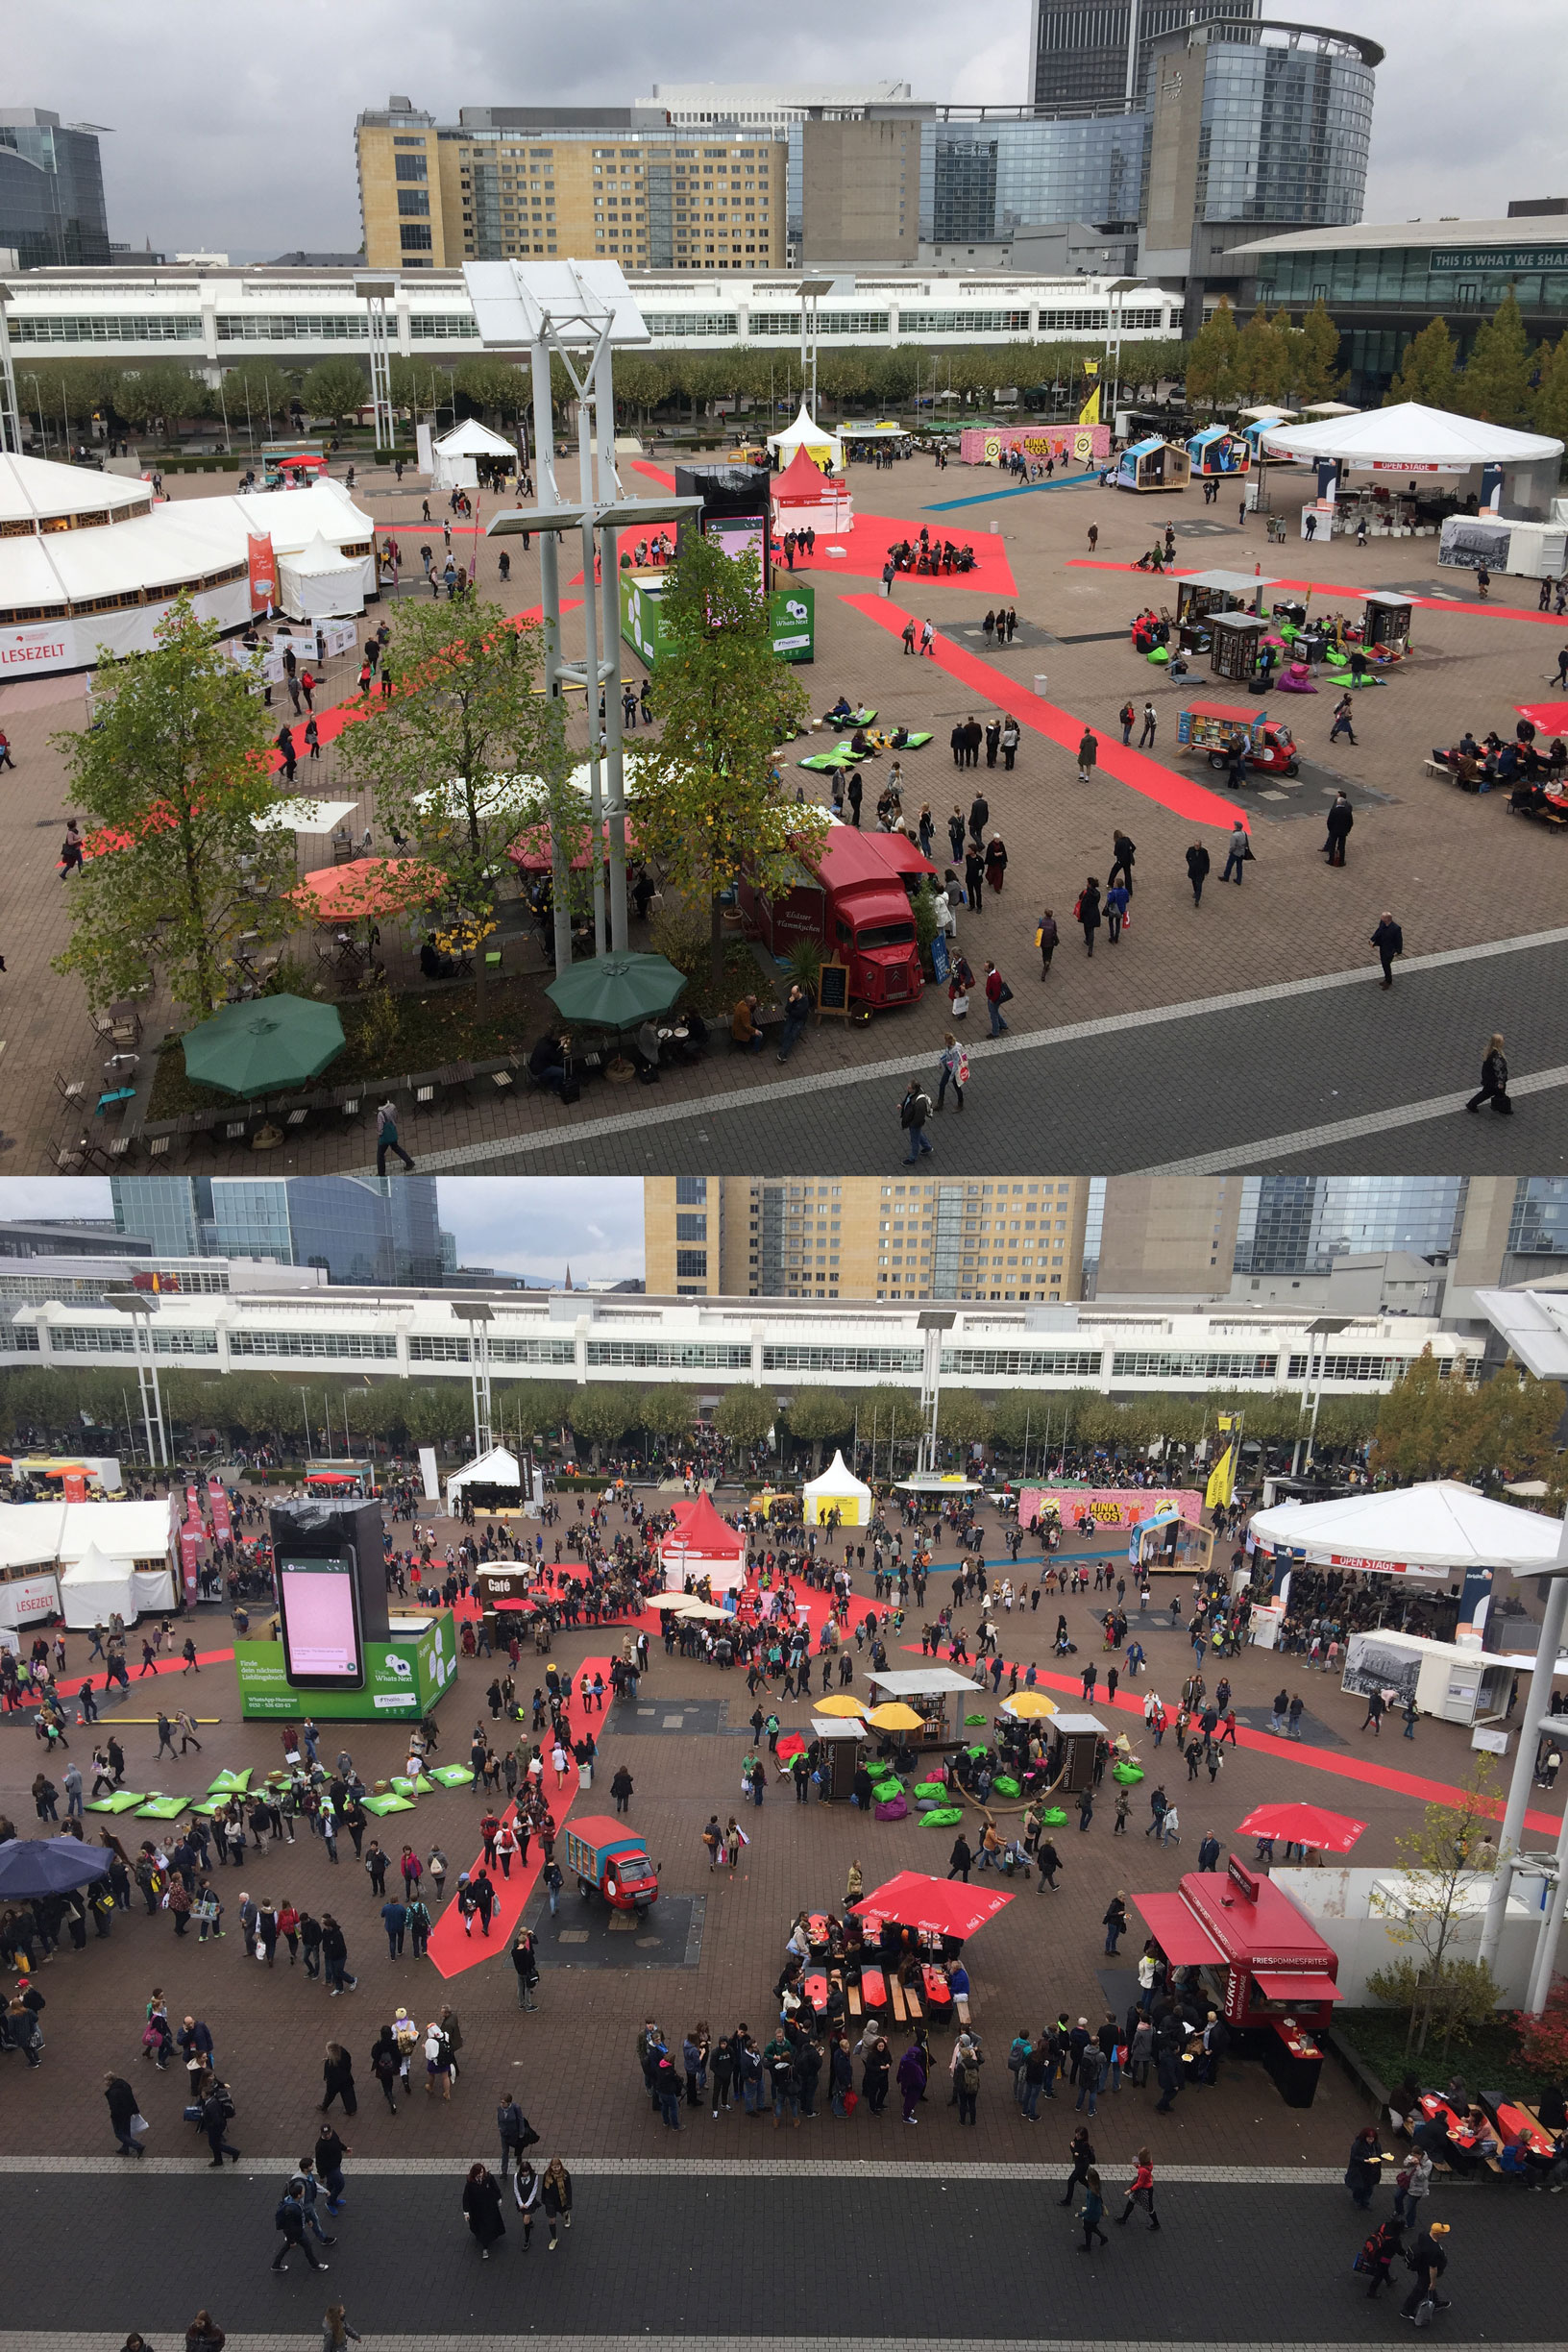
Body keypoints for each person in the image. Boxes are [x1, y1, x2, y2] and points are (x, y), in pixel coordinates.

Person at [272, 2184, 328, 2272]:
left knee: (287, 2247)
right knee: (307, 2245)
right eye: (302, 2191)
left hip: (295, 2232)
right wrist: (292, 2240)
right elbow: (290, 2226)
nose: (304, 2192)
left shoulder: (291, 2201)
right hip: (297, 2232)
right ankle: (315, 2265)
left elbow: (302, 2210)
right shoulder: (293, 2210)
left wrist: (308, 2220)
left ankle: (276, 2264)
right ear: (298, 2195)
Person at [462, 2162, 506, 2260]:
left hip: (489, 2207)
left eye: (482, 2172)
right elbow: (466, 2198)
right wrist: (466, 2212)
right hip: (477, 2210)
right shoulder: (470, 2184)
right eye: (479, 2173)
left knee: (488, 2225)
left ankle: (485, 2244)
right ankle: (484, 2244)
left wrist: (498, 2198)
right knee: (481, 2227)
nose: (481, 2174)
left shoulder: (488, 2178)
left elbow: (495, 2188)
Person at [1466, 1031, 1511, 1115]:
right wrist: (1501, 1082)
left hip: (1489, 1078)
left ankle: (1503, 1108)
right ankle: (1503, 1108)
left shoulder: (1489, 1051)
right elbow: (1500, 1071)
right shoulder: (1497, 1057)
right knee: (1489, 1093)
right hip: (1494, 1081)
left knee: (1492, 1093)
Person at [1116, 2146, 1160, 2230]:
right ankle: (1124, 2218)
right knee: (1132, 2201)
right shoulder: (1150, 2164)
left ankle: (1156, 2223)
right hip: (1146, 2189)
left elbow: (1139, 2183)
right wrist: (1138, 2167)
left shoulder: (1142, 2170)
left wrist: (1130, 2190)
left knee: (1149, 2207)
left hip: (1144, 2191)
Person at [899, 1076, 934, 1164]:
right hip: (912, 1122)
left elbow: (919, 1118)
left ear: (914, 1089)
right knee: (918, 1134)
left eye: (909, 1087)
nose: (907, 1088)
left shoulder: (920, 1103)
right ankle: (927, 1147)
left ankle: (912, 1158)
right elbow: (907, 1099)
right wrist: (902, 1105)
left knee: (914, 1140)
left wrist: (912, 1124)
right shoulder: (913, 1093)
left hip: (914, 1123)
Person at [375, 1099, 413, 1175]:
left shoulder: (380, 1114)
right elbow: (396, 1116)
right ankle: (409, 1162)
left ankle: (381, 1173)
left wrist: (379, 1134)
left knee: (380, 1154)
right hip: (392, 1131)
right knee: (396, 1148)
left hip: (385, 1137)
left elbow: (380, 1127)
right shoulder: (392, 1106)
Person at [1371, 909, 1404, 989]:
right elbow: (1378, 931)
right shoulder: (1383, 923)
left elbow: (1399, 940)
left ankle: (1388, 981)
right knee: (1384, 963)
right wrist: (1372, 940)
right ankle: (1387, 979)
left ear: (1387, 919)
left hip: (1390, 950)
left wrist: (1398, 951)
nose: (1381, 919)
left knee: (1386, 964)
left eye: (1382, 918)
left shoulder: (1396, 928)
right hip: (1383, 947)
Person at [1324, 792, 1354, 866]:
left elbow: (1329, 821)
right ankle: (1341, 861)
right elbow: (1350, 822)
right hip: (1343, 832)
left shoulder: (1334, 811)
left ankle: (1331, 860)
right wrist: (1347, 830)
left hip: (1334, 831)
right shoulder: (1347, 812)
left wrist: (1330, 829)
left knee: (1332, 845)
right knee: (1342, 846)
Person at [984, 960, 1009, 1037]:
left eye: (986, 967)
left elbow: (996, 991)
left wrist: (992, 1000)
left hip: (994, 999)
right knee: (995, 1012)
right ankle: (1003, 1025)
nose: (984, 969)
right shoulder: (994, 974)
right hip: (993, 998)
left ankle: (995, 1032)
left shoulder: (994, 978)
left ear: (990, 968)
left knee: (993, 1015)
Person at [1221, 819, 1249, 886]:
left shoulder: (1235, 835)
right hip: (1242, 853)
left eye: (1235, 825)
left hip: (1235, 853)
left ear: (1236, 827)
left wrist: (1230, 851)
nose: (1234, 826)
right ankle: (1239, 880)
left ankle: (1226, 877)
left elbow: (1232, 846)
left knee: (1229, 865)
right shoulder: (1244, 833)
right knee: (1239, 866)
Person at [1186, 841, 1210, 905]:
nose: (1196, 847)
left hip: (1200, 871)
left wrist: (1206, 870)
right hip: (1193, 870)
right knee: (1193, 881)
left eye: (1197, 846)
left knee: (1199, 885)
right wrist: (1190, 864)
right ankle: (1196, 892)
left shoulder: (1204, 852)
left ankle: (1197, 900)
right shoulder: (1190, 849)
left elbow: (1207, 861)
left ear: (1200, 846)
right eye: (1195, 845)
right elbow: (1187, 857)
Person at [1037, 908, 1058, 978]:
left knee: (1044, 954)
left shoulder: (1042, 922)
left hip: (1043, 942)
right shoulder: (1053, 922)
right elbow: (1055, 931)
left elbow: (1038, 931)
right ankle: (1047, 963)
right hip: (1050, 942)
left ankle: (1045, 964)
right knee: (1049, 954)